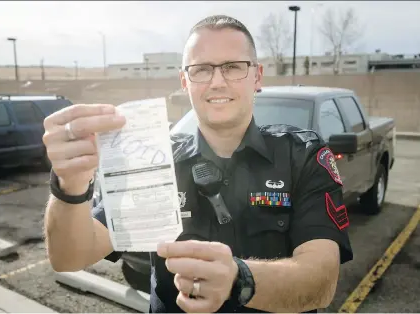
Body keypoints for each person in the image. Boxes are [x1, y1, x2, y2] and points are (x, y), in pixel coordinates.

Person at [43, 15, 353, 313]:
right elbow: (69, 257)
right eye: (201, 69)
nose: (217, 81)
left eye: (233, 67)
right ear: (184, 81)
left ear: (257, 76)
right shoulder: (151, 160)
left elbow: (321, 282)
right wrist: (70, 186)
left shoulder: (302, 156)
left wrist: (237, 279)